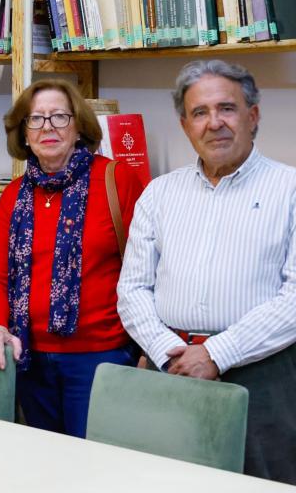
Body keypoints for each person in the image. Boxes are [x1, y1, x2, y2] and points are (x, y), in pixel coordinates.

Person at [118, 59, 296, 484]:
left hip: (261, 373)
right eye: (200, 112)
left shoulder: (289, 189)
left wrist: (217, 353)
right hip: (171, 368)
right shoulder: (159, 193)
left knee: (262, 482)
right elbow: (132, 289)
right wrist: (168, 352)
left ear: (252, 116)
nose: (214, 123)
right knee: (168, 481)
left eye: (227, 109)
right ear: (185, 125)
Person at [0, 79, 144, 437]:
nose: (47, 127)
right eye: (35, 119)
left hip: (101, 358)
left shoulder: (117, 179)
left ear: (79, 125)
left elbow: (145, 271)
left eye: (59, 117)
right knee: (46, 466)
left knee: (97, 467)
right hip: (30, 360)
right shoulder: (13, 195)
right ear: (24, 132)